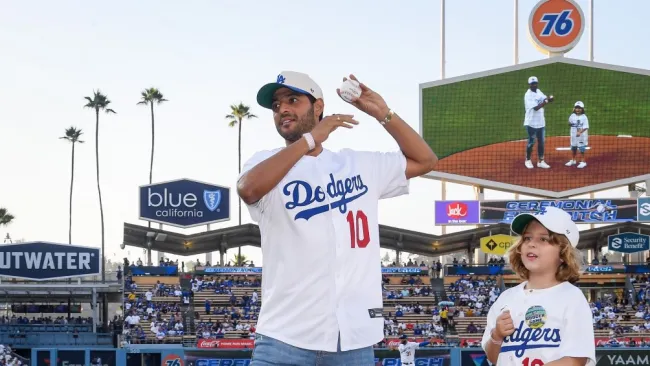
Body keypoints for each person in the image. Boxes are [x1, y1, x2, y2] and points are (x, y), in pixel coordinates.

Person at [238, 71, 438, 365]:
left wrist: (384, 113)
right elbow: (248, 188)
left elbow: (426, 161)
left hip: (353, 340)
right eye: (276, 106)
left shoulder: (356, 163)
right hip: (284, 337)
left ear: (318, 107)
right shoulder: (265, 162)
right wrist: (309, 140)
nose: (282, 109)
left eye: (292, 100)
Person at [481, 206, 596, 366]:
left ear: (563, 253)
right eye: (527, 238)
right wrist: (497, 336)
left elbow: (575, 360)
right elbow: (493, 358)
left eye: (543, 239)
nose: (531, 244)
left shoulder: (571, 297)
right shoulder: (506, 298)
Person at [523, 76, 554, 169]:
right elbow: (536, 107)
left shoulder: (539, 91)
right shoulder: (528, 95)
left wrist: (549, 98)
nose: (534, 85)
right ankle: (528, 160)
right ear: (529, 85)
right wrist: (547, 101)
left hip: (541, 122)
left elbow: (544, 99)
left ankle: (541, 161)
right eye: (532, 84)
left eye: (535, 83)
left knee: (541, 142)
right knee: (531, 142)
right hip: (531, 122)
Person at [565, 101, 590, 169]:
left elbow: (586, 127)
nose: (578, 109)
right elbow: (569, 123)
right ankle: (573, 160)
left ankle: (583, 161)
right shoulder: (572, 116)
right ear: (574, 108)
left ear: (582, 109)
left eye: (579, 108)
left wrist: (580, 132)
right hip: (573, 135)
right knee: (574, 148)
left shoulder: (584, 117)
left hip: (581, 136)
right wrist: (570, 123)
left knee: (581, 148)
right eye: (576, 108)